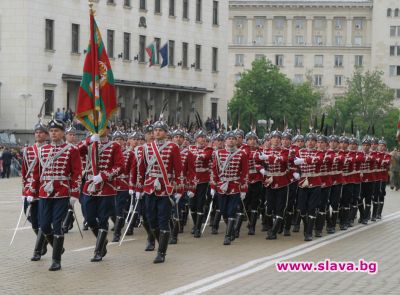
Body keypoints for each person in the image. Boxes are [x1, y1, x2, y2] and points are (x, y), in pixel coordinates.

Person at [30, 118, 82, 271]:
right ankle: (58, 247)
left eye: (56, 131)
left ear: (63, 133)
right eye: (51, 131)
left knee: (57, 224)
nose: (53, 133)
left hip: (62, 191)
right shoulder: (42, 149)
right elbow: (36, 173)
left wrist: (74, 193)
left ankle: (56, 260)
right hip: (44, 192)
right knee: (45, 225)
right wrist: (32, 191)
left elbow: (76, 172)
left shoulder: (71, 150)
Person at [137, 121, 183, 263]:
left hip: (165, 188)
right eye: (155, 130)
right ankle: (161, 242)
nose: (157, 132)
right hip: (150, 187)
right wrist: (139, 188)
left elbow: (178, 169)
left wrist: (179, 189)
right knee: (151, 220)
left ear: (166, 132)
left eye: (160, 130)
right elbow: (142, 169)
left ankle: (161, 252)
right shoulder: (146, 148)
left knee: (163, 219)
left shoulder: (172, 147)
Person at [79, 124, 124, 262]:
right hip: (90, 185)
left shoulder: (114, 146)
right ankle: (102, 240)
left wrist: (104, 176)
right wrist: (89, 140)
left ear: (108, 130)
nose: (100, 130)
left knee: (103, 219)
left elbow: (120, 166)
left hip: (106, 187)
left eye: (103, 127)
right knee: (89, 217)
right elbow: (77, 152)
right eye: (97, 128)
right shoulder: (89, 144)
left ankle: (98, 251)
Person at [211, 131, 248, 245]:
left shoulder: (241, 154)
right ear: (225, 141)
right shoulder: (218, 153)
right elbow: (214, 171)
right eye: (229, 138)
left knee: (231, 210)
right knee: (223, 211)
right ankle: (231, 230)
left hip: (235, 185)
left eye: (233, 138)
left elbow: (244, 172)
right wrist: (213, 186)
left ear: (236, 141)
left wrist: (243, 189)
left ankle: (227, 236)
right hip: (221, 185)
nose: (231, 140)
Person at [21, 121, 49, 261]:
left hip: (44, 188)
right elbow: (25, 172)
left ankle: (37, 250)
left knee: (42, 220)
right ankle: (46, 242)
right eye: (36, 132)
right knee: (32, 220)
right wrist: (24, 192)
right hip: (30, 190)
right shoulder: (28, 150)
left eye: (41, 132)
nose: (38, 134)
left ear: (46, 134)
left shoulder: (50, 149)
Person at [188, 129, 213, 238]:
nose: (202, 139)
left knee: (200, 203)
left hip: (203, 180)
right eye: (200, 137)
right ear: (196, 138)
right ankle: (195, 224)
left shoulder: (208, 149)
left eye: (204, 137)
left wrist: (195, 156)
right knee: (192, 204)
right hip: (191, 180)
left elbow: (205, 156)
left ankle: (198, 228)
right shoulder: (190, 148)